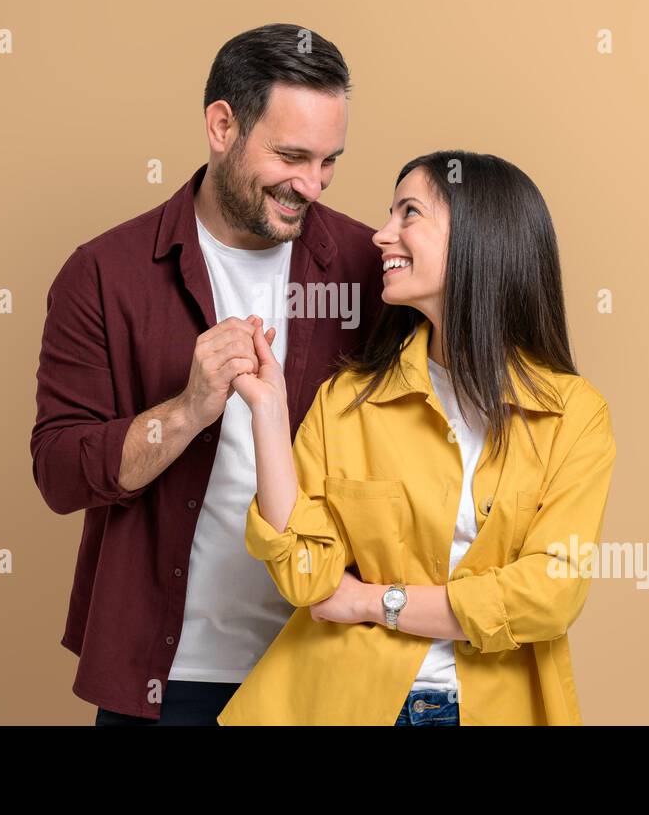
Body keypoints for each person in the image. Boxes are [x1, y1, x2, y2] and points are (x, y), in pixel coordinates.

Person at [29, 23, 382, 725]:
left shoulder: (368, 267)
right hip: (168, 681)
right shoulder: (104, 274)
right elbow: (60, 473)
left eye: (329, 161)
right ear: (222, 125)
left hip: (327, 672)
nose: (310, 185)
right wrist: (188, 409)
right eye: (290, 156)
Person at [217, 150, 617, 725]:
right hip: (343, 705)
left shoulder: (574, 416)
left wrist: (374, 601)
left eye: (409, 213)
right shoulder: (348, 399)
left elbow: (549, 593)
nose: (382, 236)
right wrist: (269, 412)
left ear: (482, 239)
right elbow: (306, 576)